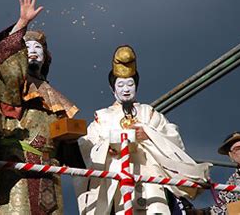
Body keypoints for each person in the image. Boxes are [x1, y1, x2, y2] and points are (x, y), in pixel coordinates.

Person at [76, 45, 210, 214]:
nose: (126, 89)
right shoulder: (102, 117)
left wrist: (149, 135)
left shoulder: (150, 113)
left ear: (136, 86)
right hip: (117, 179)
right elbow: (87, 145)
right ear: (113, 88)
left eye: (130, 84)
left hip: (150, 178)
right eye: (121, 85)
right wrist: (106, 147)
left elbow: (173, 139)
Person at [0, 0, 80, 214]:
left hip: (49, 171)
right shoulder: (13, 85)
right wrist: (22, 23)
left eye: (39, 48)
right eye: (28, 47)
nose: (34, 52)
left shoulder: (52, 95)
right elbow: (6, 65)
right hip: (16, 169)